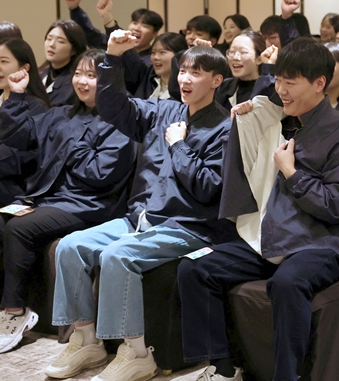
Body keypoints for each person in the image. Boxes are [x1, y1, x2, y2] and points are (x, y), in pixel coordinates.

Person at [178, 37, 339, 381]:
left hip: (323, 241)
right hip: (274, 232)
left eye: (290, 82)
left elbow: (336, 206)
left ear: (319, 83)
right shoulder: (276, 118)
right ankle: (221, 368)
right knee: (194, 266)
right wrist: (246, 125)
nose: (281, 90)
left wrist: (292, 173)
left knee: (287, 282)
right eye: (278, 80)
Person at [45, 32, 234, 381]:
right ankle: (86, 339)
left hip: (188, 226)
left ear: (216, 81)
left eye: (196, 73)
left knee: (118, 255)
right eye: (183, 71)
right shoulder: (165, 110)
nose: (185, 79)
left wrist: (178, 146)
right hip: (142, 217)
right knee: (70, 247)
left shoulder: (225, 128)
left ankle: (136, 352)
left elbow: (210, 188)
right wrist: (113, 58)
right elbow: (114, 107)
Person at [0, 49, 136, 353]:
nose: (82, 81)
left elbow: (101, 174)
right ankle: (5, 306)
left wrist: (72, 145)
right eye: (78, 73)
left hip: (90, 203)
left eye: (92, 75)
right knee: (2, 219)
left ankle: (15, 311)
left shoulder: (121, 121)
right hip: (50, 197)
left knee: (19, 228)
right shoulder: (62, 113)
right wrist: (18, 97)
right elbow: (18, 139)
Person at [65, 0, 163, 64]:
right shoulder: (113, 45)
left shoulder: (153, 60)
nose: (137, 28)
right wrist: (75, 9)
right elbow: (90, 35)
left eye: (144, 26)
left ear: (155, 34)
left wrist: (107, 17)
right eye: (134, 23)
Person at [119, 32, 188, 101]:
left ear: (179, 56)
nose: (155, 57)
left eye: (162, 52)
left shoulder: (186, 87)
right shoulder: (148, 76)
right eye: (153, 52)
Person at [40, 20, 88, 107]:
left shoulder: (76, 81)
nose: (51, 44)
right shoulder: (40, 73)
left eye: (60, 41)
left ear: (73, 50)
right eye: (49, 39)